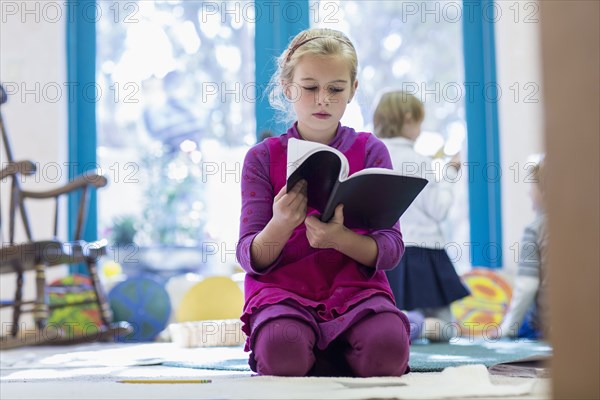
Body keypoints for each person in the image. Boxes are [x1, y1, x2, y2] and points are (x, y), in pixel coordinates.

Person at [236, 28, 411, 377]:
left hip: (357, 294)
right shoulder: (261, 157)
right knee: (282, 351)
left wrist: (338, 239)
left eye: (335, 89)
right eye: (310, 87)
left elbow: (391, 250)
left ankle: (330, 351)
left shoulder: (372, 150)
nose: (322, 100)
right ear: (288, 88)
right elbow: (249, 257)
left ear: (353, 90)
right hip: (283, 294)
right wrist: (281, 224)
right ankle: (317, 352)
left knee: (388, 350)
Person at [373, 91, 470, 342]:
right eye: (419, 122)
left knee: (387, 316)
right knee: (446, 330)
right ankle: (416, 326)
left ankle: (406, 325)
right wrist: (449, 174)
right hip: (425, 253)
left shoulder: (372, 157)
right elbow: (438, 210)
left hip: (386, 252)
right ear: (408, 119)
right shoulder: (419, 160)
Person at [499, 159, 548, 339]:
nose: (529, 192)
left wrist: (507, 329)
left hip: (546, 326)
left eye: (532, 186)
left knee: (511, 314)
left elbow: (527, 286)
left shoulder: (535, 229)